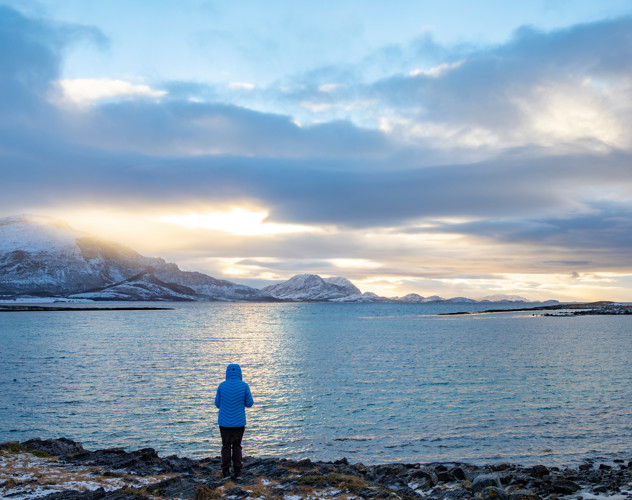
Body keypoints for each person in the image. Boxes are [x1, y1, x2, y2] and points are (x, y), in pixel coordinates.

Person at [214, 363, 254, 478]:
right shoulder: (244, 386)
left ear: (227, 373)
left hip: (224, 423)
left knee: (226, 446)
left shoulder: (221, 386)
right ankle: (238, 472)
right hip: (239, 423)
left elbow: (217, 404)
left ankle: (225, 471)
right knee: (237, 446)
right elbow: (249, 403)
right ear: (239, 373)